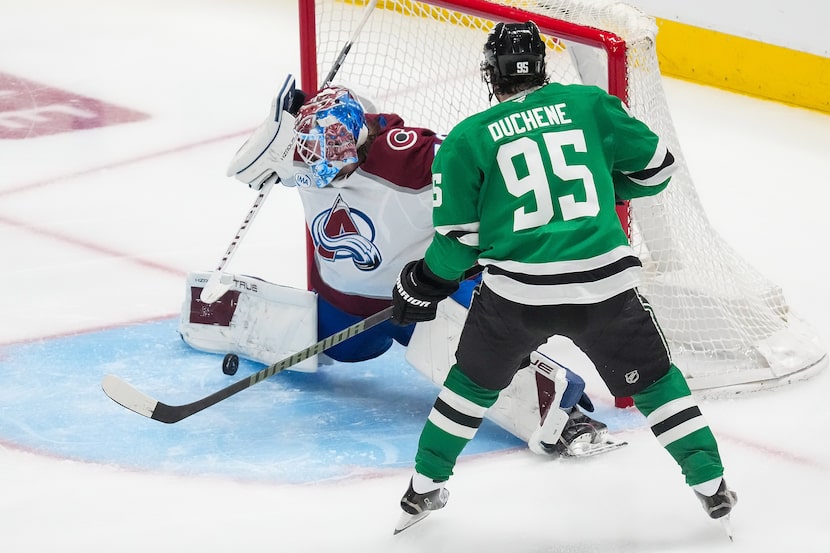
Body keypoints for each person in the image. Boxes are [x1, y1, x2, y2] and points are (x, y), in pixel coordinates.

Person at [389, 21, 737, 535]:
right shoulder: (589, 104)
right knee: (658, 384)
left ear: (491, 73)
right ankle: (711, 484)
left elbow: (458, 245)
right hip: (605, 289)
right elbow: (657, 169)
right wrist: (601, 188)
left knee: (468, 387)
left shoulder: (466, 138)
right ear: (541, 66)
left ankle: (422, 488)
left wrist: (423, 281)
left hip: (516, 297)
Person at [179, 75, 617, 458]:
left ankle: (563, 413)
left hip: (424, 297)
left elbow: (490, 178)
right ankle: (229, 311)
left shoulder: (415, 159)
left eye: (329, 168)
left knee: (470, 354)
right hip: (348, 303)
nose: (318, 177)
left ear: (355, 143)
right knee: (343, 347)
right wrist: (282, 125)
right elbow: (251, 164)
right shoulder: (314, 145)